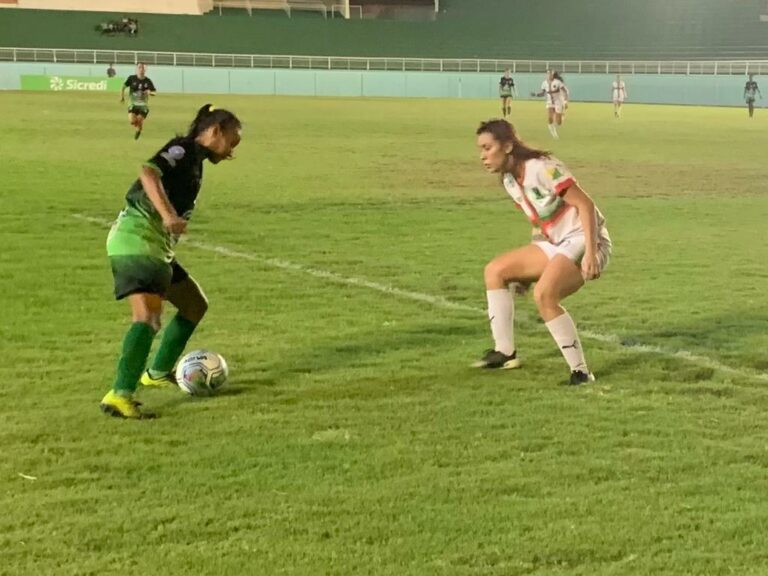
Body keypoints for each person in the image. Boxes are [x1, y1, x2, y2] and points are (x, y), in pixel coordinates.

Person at [100, 104, 242, 419]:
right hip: (138, 240)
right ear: (215, 130)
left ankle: (156, 373)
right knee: (147, 317)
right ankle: (119, 394)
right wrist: (168, 216)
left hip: (156, 246)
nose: (232, 151)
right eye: (232, 142)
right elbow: (148, 171)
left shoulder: (196, 159)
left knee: (194, 304)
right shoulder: (183, 148)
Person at [473, 119, 612, 384]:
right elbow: (539, 222)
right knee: (495, 271)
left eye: (487, 148)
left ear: (507, 146)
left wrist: (591, 253)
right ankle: (505, 352)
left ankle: (581, 372)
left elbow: (586, 205)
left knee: (545, 295)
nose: (482, 156)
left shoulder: (541, 167)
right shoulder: (509, 180)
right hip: (557, 242)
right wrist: (527, 271)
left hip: (585, 238)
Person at [120, 63, 156, 140]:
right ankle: (139, 128)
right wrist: (122, 97)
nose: (141, 69)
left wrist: (149, 92)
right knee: (132, 121)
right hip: (132, 104)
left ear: (145, 70)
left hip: (143, 106)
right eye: (139, 67)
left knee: (139, 120)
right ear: (137, 69)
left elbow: (154, 92)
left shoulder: (148, 81)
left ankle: (138, 130)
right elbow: (123, 87)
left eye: (142, 68)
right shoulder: (131, 78)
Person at [532, 70, 567, 139]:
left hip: (558, 101)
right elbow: (543, 93)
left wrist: (565, 101)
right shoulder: (544, 83)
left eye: (551, 74)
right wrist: (536, 94)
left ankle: (562, 115)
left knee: (559, 122)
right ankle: (553, 132)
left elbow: (564, 91)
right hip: (550, 102)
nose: (549, 75)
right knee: (550, 118)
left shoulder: (558, 82)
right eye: (548, 74)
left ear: (553, 75)